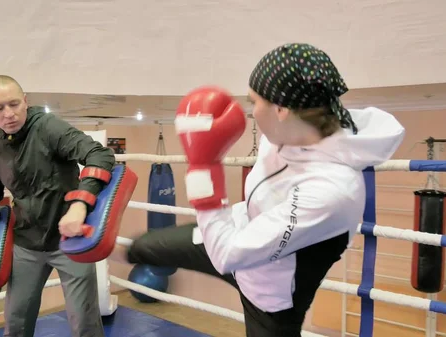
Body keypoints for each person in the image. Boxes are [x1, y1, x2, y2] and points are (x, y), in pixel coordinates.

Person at [126, 43, 405, 336]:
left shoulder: (332, 191)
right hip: (239, 234)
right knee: (143, 247)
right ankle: (97, 250)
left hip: (272, 298)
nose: (250, 111)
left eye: (253, 101)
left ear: (281, 109)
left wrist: (203, 168)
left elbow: (226, 256)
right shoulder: (282, 133)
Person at [0, 75, 115, 337]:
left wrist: (80, 203)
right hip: (26, 244)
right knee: (16, 322)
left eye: (14, 104)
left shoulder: (48, 127)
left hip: (69, 241)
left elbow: (99, 155)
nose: (9, 114)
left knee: (84, 324)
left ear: (26, 101)